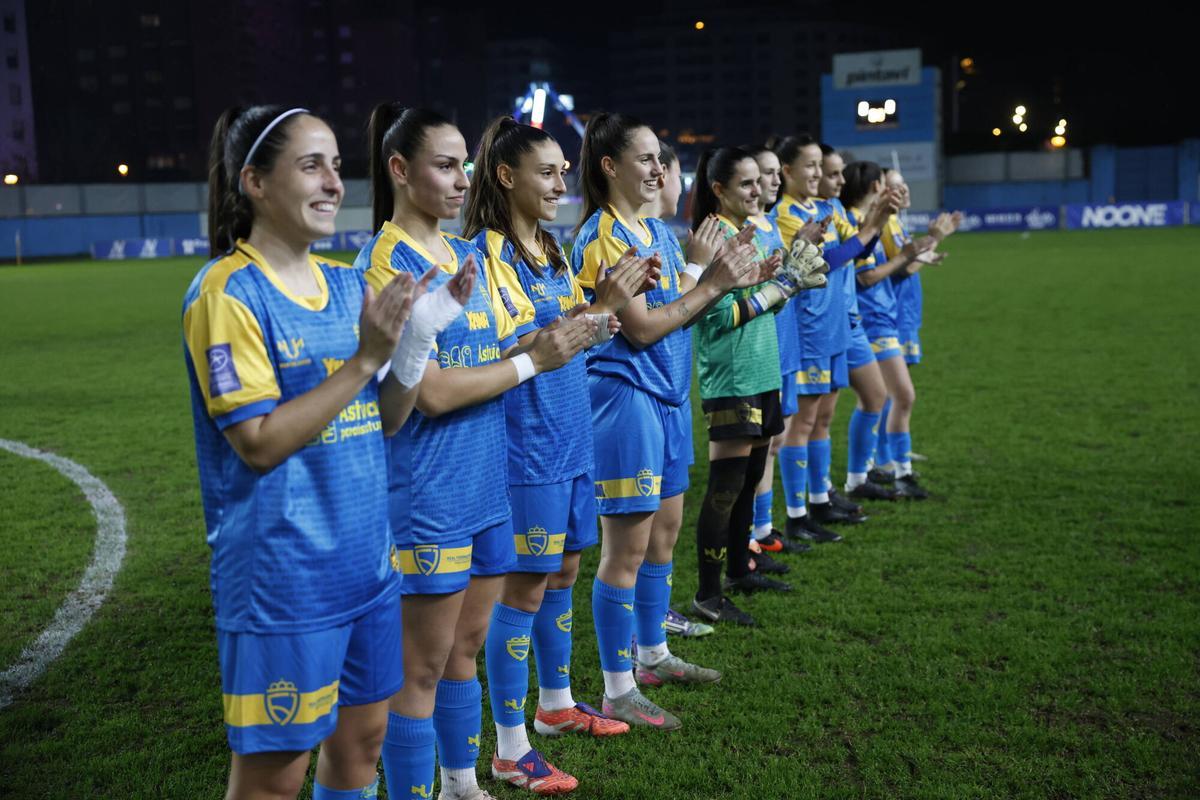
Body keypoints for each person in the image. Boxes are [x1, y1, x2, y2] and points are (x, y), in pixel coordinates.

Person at [185, 105, 455, 800]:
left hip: (367, 565)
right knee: (277, 779)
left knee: (362, 748)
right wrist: (365, 360)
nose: (334, 181)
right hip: (284, 579)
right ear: (255, 182)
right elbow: (257, 444)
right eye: (311, 165)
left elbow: (387, 422)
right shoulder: (227, 293)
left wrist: (410, 347)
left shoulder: (347, 285)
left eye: (336, 164)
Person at [359, 104, 596, 800]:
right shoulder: (386, 264)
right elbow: (425, 393)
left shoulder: (465, 257)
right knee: (420, 670)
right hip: (427, 493)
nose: (461, 178)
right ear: (400, 170)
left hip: (488, 483)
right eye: (443, 163)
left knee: (463, 651)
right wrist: (533, 363)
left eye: (464, 163)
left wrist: (563, 334)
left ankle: (461, 782)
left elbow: (496, 349)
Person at [462, 116, 654, 794]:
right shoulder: (485, 254)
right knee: (523, 588)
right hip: (525, 448)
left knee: (566, 571)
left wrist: (611, 305)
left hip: (572, 440)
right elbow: (511, 350)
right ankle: (510, 748)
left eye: (562, 170)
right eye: (547, 171)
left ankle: (555, 706)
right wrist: (594, 310)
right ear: (506, 176)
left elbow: (579, 337)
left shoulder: (549, 248)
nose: (560, 181)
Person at [571, 112, 768, 728]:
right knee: (625, 549)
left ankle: (652, 652)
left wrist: (707, 274)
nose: (660, 168)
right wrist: (710, 282)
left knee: (665, 533)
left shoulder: (655, 229)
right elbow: (645, 326)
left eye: (662, 158)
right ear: (609, 167)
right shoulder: (602, 237)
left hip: (667, 396)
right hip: (624, 397)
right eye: (647, 158)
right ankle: (616, 686)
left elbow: (674, 311)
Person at [687, 146, 824, 627]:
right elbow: (715, 316)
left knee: (748, 482)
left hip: (763, 370)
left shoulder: (752, 233)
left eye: (757, 182)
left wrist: (783, 284)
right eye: (744, 184)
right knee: (725, 487)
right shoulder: (714, 237)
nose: (756, 190)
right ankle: (708, 592)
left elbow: (766, 305)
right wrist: (778, 287)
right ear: (718, 188)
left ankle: (741, 567)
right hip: (732, 376)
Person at [840, 161, 938, 499]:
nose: (891, 191)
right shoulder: (856, 223)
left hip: (883, 316)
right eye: (885, 184)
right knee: (898, 396)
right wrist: (907, 257)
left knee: (880, 398)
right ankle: (891, 470)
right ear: (873, 188)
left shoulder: (871, 223)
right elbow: (866, 276)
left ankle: (876, 469)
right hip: (870, 320)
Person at [746, 141, 813, 560]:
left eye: (772, 174)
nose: (771, 182)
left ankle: (764, 527)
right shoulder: (745, 229)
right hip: (756, 353)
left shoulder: (771, 224)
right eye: (762, 175)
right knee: (758, 447)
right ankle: (751, 531)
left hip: (783, 347)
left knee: (773, 441)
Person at [872, 170, 960, 481]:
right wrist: (934, 239)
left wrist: (929, 252)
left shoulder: (896, 223)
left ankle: (893, 451)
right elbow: (901, 268)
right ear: (880, 191)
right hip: (892, 315)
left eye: (904, 183)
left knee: (895, 391)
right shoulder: (884, 226)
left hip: (904, 313)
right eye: (895, 185)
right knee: (892, 392)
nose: (904, 189)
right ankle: (883, 457)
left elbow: (908, 264)